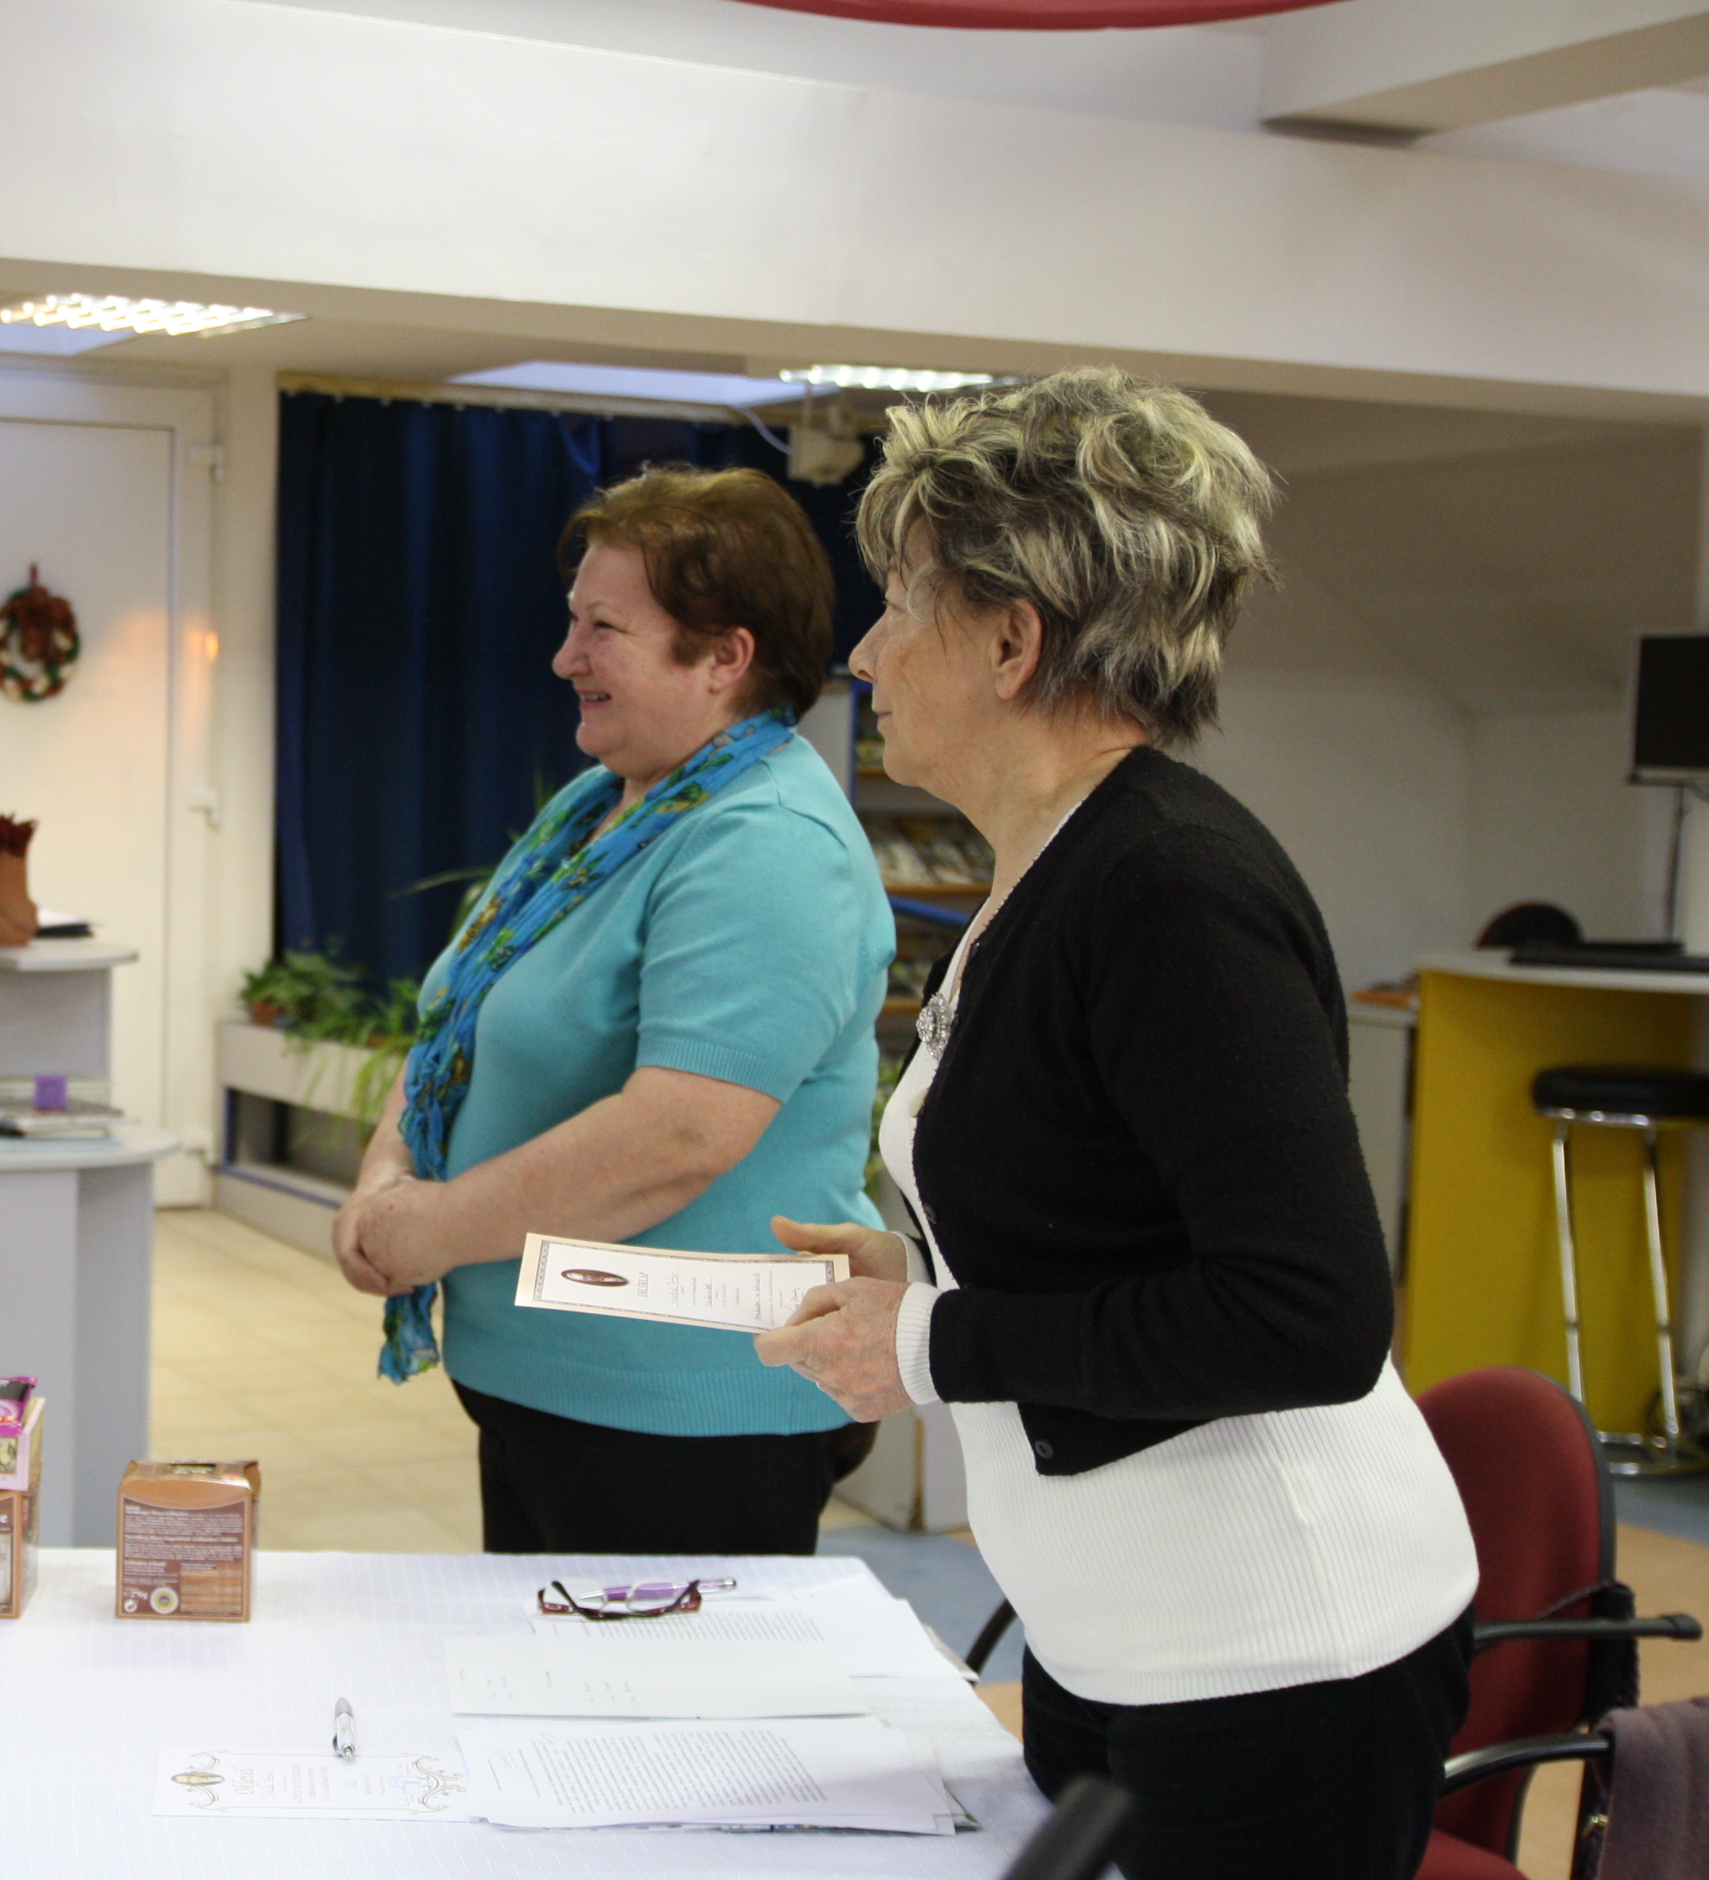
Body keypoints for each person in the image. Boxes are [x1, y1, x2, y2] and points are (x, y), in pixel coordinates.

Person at [753, 368, 1476, 1880]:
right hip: (1114, 1629)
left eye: (899, 606)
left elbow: (1306, 1314)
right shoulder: (1050, 865)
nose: (866, 653)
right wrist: (919, 1281)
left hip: (1274, 1649)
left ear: (1011, 641)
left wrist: (932, 1344)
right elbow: (1099, 1212)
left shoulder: (1167, 887)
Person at [334, 464, 894, 1555]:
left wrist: (431, 1229)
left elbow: (676, 1136)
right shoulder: (606, 807)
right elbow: (465, 1015)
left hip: (682, 1415)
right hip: (552, 1391)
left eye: (603, 629)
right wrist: (384, 1178)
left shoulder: (767, 840)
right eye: (570, 620)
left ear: (724, 656)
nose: (565, 657)